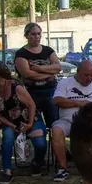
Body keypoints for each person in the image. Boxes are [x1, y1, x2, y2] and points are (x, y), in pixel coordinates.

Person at [51, 60, 92, 182]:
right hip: (68, 120)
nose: (89, 78)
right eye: (86, 75)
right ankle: (63, 168)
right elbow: (56, 100)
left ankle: (91, 169)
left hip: (91, 120)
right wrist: (79, 103)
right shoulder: (65, 83)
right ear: (78, 72)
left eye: (91, 75)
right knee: (56, 130)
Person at [0, 61, 46, 184]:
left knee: (40, 143)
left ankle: (38, 161)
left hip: (31, 119)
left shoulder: (16, 87)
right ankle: (7, 170)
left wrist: (29, 123)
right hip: (12, 122)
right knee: (7, 138)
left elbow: (31, 105)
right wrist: (13, 126)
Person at [15, 23, 61, 171]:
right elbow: (27, 73)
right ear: (26, 35)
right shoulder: (22, 54)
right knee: (39, 132)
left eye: (39, 34)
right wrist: (49, 72)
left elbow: (58, 67)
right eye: (33, 34)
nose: (37, 37)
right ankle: (39, 158)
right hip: (31, 95)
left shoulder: (48, 50)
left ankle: (60, 156)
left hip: (50, 93)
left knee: (56, 126)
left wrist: (39, 69)